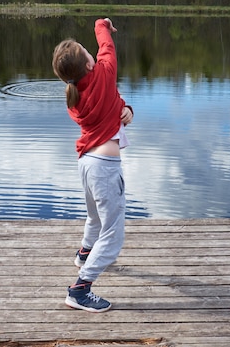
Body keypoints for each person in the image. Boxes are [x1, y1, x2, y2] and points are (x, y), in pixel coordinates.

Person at [52, 18, 133, 313]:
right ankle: (80, 289)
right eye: (88, 53)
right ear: (88, 64)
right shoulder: (103, 74)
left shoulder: (75, 96)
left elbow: (110, 103)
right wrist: (103, 25)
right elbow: (107, 47)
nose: (93, 54)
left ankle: (85, 253)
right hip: (104, 168)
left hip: (87, 163)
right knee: (112, 233)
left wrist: (126, 108)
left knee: (94, 219)